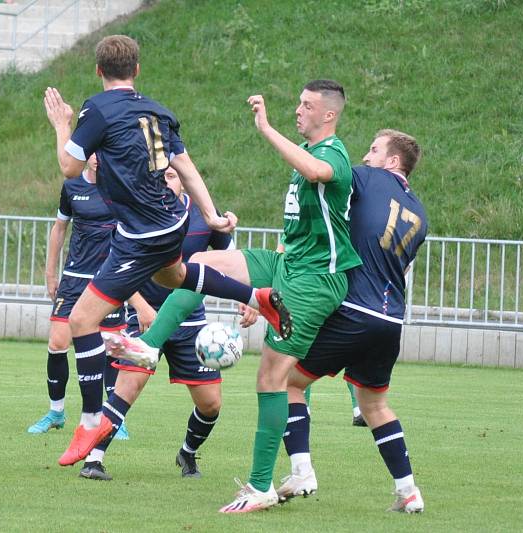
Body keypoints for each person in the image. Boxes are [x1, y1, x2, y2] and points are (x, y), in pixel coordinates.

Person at [108, 79, 362, 513]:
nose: (298, 110)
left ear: (329, 115)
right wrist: (254, 290)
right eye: (298, 103)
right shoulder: (310, 155)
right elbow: (300, 228)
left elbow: (318, 174)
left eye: (306, 105)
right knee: (207, 265)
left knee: (272, 379)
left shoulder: (331, 154)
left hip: (317, 281)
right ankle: (149, 349)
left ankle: (261, 486)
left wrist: (266, 129)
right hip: (289, 266)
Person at [43, 34, 292, 469]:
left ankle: (89, 422)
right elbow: (186, 167)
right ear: (137, 70)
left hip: (139, 234)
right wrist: (211, 216)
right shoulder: (160, 111)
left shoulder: (96, 110)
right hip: (171, 222)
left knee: (82, 321)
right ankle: (257, 297)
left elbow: (70, 167)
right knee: (174, 276)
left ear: (98, 71)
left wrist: (62, 123)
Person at [277, 130, 428, 513]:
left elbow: (323, 173)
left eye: (374, 149)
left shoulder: (367, 177)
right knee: (375, 405)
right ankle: (408, 491)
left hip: (354, 309)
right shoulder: (420, 213)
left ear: (393, 162)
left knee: (285, 381)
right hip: (391, 319)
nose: (365, 154)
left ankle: (301, 471)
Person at [78, 167, 257, 481]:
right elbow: (116, 268)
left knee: (211, 404)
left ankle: (187, 453)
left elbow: (232, 261)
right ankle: (93, 459)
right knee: (128, 387)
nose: (165, 180)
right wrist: (141, 306)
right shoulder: (138, 213)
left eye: (173, 175)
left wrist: (246, 298)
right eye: (160, 176)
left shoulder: (206, 216)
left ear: (185, 181)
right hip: (147, 317)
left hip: (191, 322)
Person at [27, 152, 129, 441]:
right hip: (73, 280)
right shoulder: (72, 186)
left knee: (111, 347)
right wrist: (50, 273)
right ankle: (56, 412)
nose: (98, 158)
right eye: (93, 153)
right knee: (57, 343)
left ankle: (112, 418)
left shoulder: (121, 188)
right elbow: (59, 228)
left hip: (108, 281)